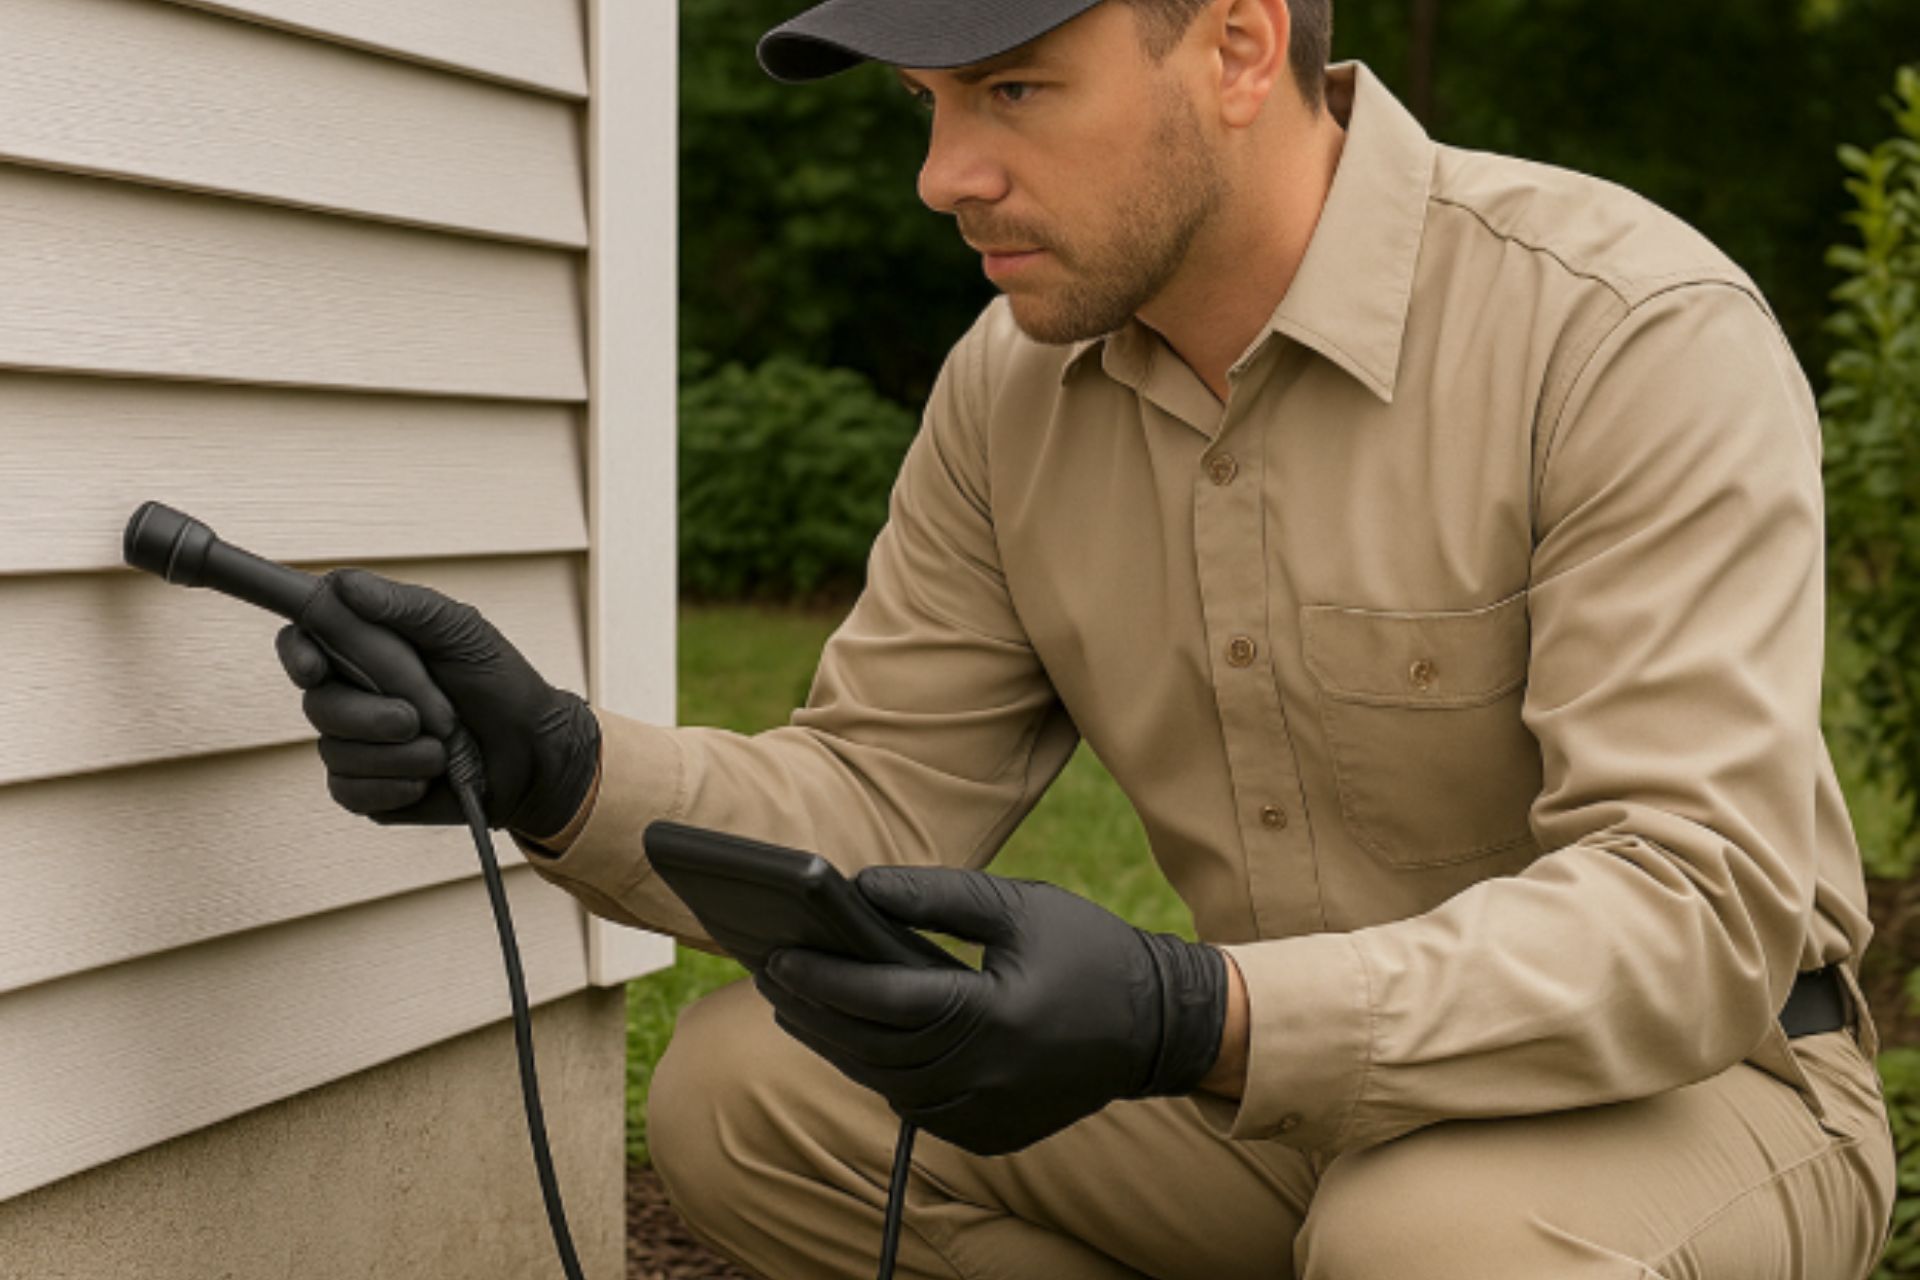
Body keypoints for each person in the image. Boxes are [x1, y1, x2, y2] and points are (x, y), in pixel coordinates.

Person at [273, 0, 1901, 1275]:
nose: (943, 175)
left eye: (1014, 91)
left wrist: (1193, 1014)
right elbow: (878, 798)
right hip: (1271, 1114)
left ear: (1240, 49)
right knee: (751, 1092)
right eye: (930, 105)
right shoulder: (1009, 387)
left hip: (1692, 1094)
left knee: (1429, 1244)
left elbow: (1692, 911)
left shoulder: (1621, 332)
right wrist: (553, 765)